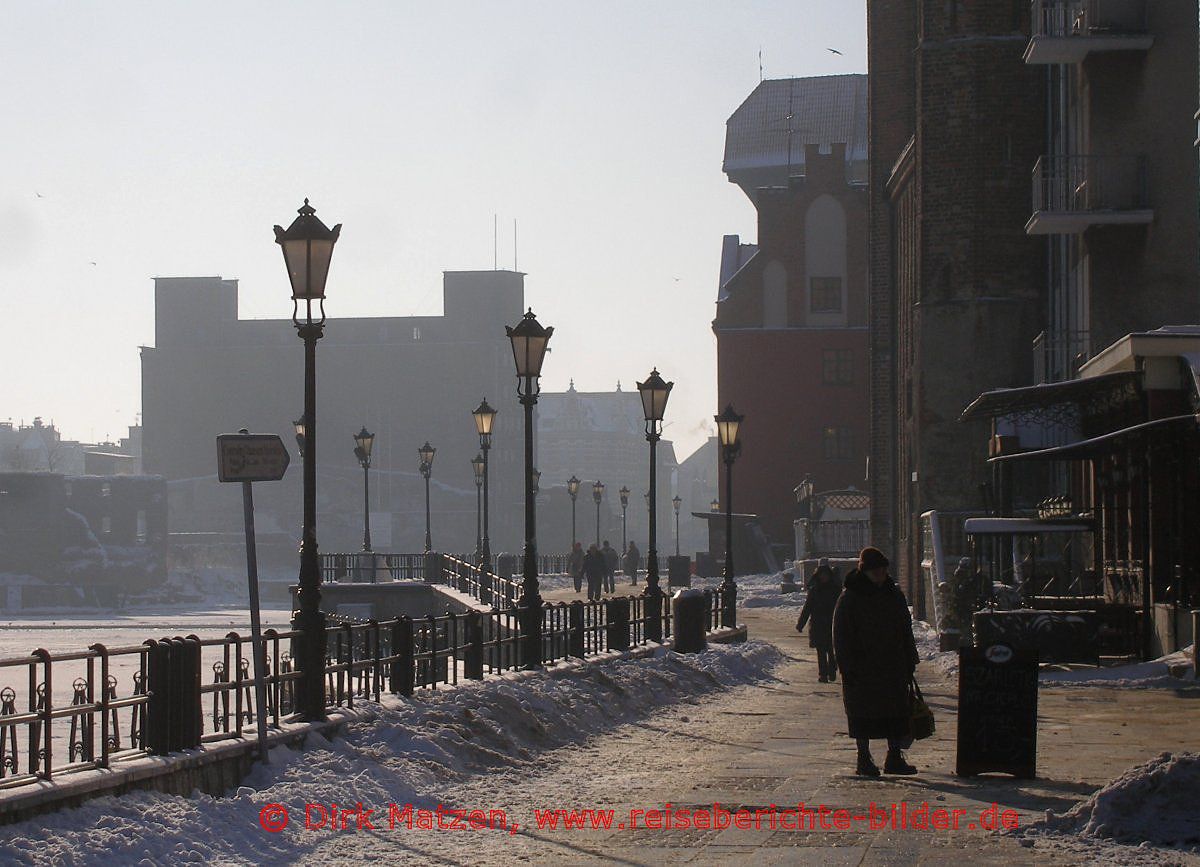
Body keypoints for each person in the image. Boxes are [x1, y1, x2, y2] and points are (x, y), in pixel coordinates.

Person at [833, 546, 920, 777]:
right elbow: (841, 635)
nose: (880, 574)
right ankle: (864, 758)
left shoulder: (894, 594)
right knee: (862, 715)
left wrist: (910, 658)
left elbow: (905, 629)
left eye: (882, 570)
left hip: (892, 665)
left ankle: (894, 757)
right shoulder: (850, 597)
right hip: (862, 669)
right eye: (875, 571)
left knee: (896, 713)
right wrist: (846, 666)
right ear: (865, 572)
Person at [796, 560, 840, 683]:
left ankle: (832, 669)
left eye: (826, 574)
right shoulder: (814, 590)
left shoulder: (835, 589)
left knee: (831, 650)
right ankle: (823, 674)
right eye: (822, 574)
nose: (823, 577)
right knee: (821, 651)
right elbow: (807, 608)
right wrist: (801, 624)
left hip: (832, 624)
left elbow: (841, 607)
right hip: (818, 625)